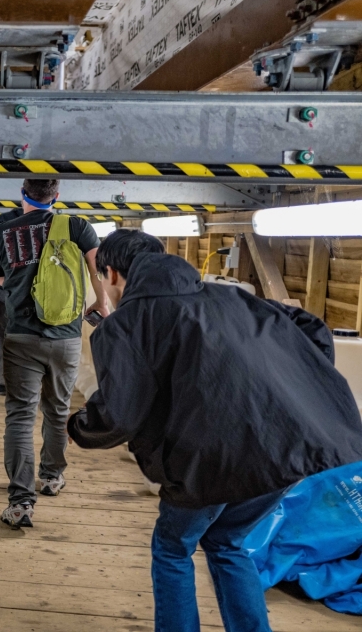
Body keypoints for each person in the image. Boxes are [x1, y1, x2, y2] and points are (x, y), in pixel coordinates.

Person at [68, 229, 362, 632]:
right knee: (226, 543)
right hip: (282, 449)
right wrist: (304, 382)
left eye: (103, 280)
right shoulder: (231, 297)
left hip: (211, 463)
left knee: (172, 548)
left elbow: (121, 411)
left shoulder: (129, 324)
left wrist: (81, 428)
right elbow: (312, 329)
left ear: (113, 274)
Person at [0, 178, 109, 528]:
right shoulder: (77, 227)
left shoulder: (2, 231)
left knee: (20, 417)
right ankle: (52, 477)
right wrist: (101, 303)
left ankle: (21, 501)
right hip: (66, 338)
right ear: (56, 196)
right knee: (57, 410)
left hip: (22, 337)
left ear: (22, 194)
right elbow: (97, 268)